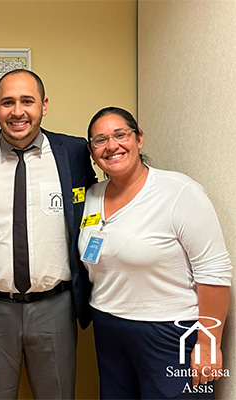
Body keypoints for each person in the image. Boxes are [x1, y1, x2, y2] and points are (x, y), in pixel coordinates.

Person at [0, 69, 97, 399]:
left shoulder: (74, 152)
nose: (17, 111)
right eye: (8, 102)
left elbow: (95, 207)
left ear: (44, 106)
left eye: (27, 101)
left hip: (56, 307)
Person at [79, 106, 232, 399]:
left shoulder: (179, 192)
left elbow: (214, 271)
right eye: (100, 140)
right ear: (91, 151)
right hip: (109, 328)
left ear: (139, 139)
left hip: (170, 332)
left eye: (120, 135)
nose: (112, 146)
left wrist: (209, 343)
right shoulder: (92, 196)